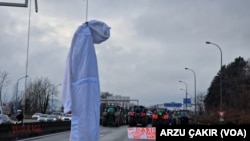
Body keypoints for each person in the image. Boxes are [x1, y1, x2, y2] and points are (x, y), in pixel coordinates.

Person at [62, 20, 110, 141]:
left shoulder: (81, 38)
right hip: (83, 93)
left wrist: (68, 104)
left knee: (85, 129)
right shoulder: (81, 35)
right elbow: (105, 33)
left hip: (83, 92)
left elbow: (68, 72)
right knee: (87, 129)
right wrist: (68, 103)